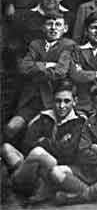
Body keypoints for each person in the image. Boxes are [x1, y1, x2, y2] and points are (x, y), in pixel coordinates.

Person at [0, 79, 86, 205]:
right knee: (6, 148)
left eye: (67, 101)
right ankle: (30, 188)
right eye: (58, 101)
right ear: (52, 101)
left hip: (55, 170)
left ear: (75, 101)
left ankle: (21, 189)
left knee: (39, 153)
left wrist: (43, 142)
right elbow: (26, 145)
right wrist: (55, 145)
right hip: (34, 169)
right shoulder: (43, 117)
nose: (61, 106)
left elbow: (69, 153)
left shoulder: (79, 122)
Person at [6, 11, 74, 141]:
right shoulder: (35, 44)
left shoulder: (68, 45)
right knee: (11, 127)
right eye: (50, 24)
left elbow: (60, 72)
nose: (53, 28)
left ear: (65, 28)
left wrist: (35, 70)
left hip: (53, 99)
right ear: (43, 27)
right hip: (32, 99)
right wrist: (47, 65)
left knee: (36, 132)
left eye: (58, 24)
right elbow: (23, 67)